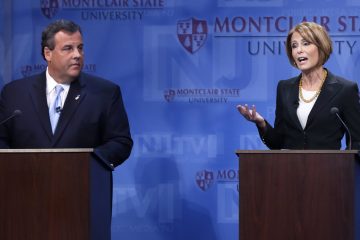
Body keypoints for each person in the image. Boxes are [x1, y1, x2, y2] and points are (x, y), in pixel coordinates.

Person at [0, 19, 133, 238]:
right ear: (48, 53)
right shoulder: (14, 93)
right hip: (23, 204)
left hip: (82, 204)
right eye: (68, 48)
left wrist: (86, 164)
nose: (77, 55)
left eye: (80, 48)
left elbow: (121, 142)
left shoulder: (105, 93)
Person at [237, 21, 360, 149]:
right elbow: (278, 143)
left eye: (306, 43)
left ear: (321, 46)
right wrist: (261, 123)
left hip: (330, 168)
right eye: (294, 46)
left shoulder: (345, 90)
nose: (299, 50)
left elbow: (357, 141)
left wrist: (344, 166)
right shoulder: (284, 88)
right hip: (290, 168)